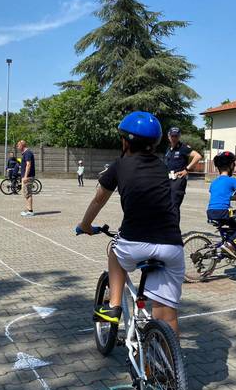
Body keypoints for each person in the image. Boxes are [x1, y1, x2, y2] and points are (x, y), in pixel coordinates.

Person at [78, 111, 184, 335]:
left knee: (114, 253)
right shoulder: (161, 166)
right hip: (172, 245)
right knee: (166, 314)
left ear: (125, 141)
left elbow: (99, 199)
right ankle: (171, 364)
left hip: (135, 240)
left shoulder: (119, 165)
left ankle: (114, 306)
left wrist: (85, 226)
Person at [164, 127, 202, 220]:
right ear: (169, 136)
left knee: (174, 206)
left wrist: (186, 169)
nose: (174, 138)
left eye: (176, 136)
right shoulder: (169, 149)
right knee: (167, 205)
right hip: (168, 180)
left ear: (179, 136)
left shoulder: (183, 148)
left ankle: (174, 232)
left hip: (178, 180)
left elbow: (198, 156)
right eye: (172, 135)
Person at [17, 140, 35, 217]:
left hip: (28, 176)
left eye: (18, 145)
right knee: (26, 193)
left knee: (28, 193)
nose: (17, 147)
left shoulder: (27, 153)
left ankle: (30, 211)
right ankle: (28, 209)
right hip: (26, 176)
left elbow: (28, 165)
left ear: (22, 146)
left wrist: (25, 176)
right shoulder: (25, 153)